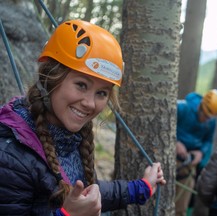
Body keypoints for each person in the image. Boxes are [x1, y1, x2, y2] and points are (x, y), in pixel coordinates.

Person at [0, 19, 166, 215]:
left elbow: (89, 191)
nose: (90, 103)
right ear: (49, 78)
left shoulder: (69, 137)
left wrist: (141, 188)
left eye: (102, 93)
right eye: (81, 85)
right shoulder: (11, 156)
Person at [175, 89, 217, 216]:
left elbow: (208, 141)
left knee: (181, 208)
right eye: (205, 115)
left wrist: (201, 153)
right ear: (201, 106)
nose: (206, 119)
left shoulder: (211, 121)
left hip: (189, 166)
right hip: (170, 157)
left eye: (210, 117)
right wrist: (175, 142)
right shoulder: (182, 108)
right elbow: (163, 125)